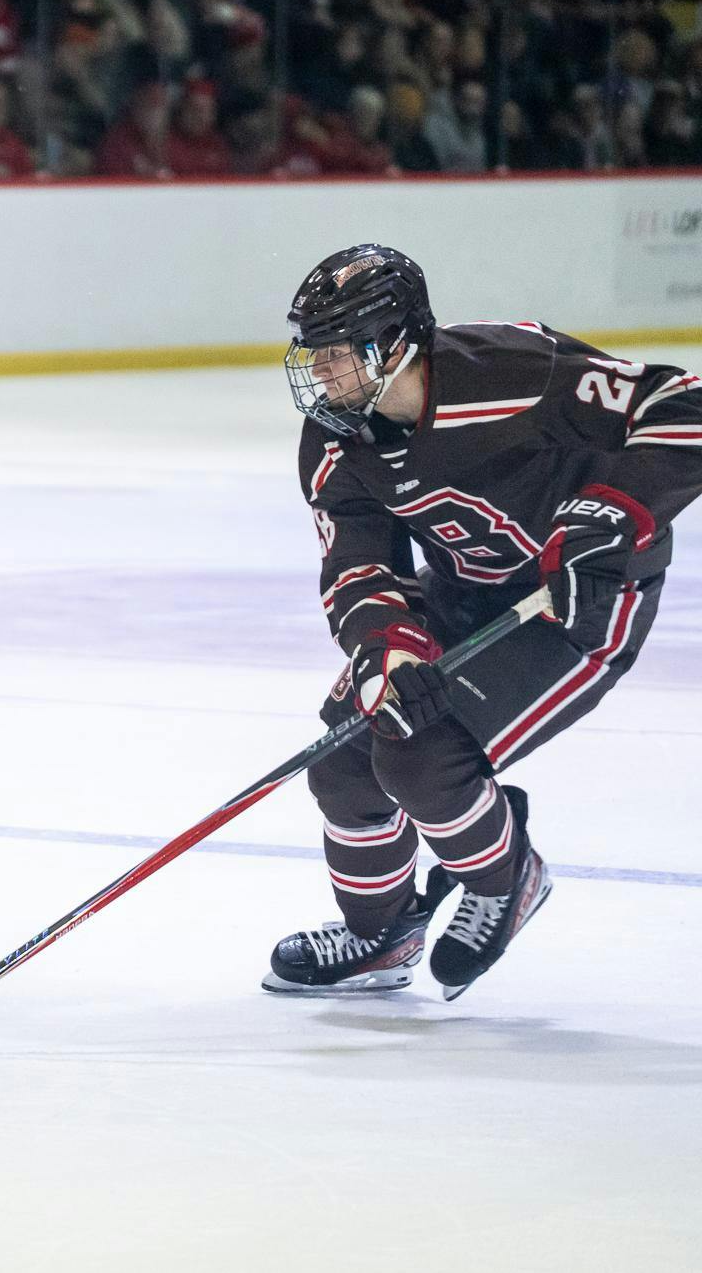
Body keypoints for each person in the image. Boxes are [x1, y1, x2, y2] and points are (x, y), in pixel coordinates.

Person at [268, 245, 700, 999]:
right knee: (342, 757)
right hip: (468, 591)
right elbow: (361, 566)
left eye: (339, 353)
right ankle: (382, 935)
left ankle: (508, 879)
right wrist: (386, 653)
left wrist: (610, 513)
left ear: (396, 343)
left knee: (418, 755)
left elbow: (681, 402)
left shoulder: (511, 370)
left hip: (584, 603)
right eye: (315, 352)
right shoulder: (336, 442)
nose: (322, 372)